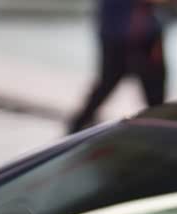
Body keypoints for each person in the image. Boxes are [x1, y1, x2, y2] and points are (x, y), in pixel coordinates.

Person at [68, 0, 170, 133]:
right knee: (105, 87)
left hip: (144, 37)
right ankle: (74, 132)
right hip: (120, 37)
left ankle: (161, 134)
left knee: (156, 101)